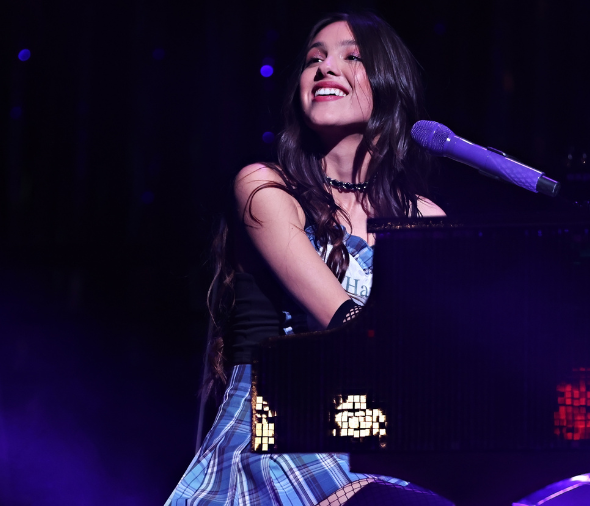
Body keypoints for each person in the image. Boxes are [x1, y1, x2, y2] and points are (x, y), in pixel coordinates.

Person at [166, 12, 448, 506]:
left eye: (351, 56)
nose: (325, 68)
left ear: (389, 82)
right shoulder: (265, 187)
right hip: (278, 432)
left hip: (377, 434)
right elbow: (345, 324)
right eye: (313, 59)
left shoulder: (423, 217)